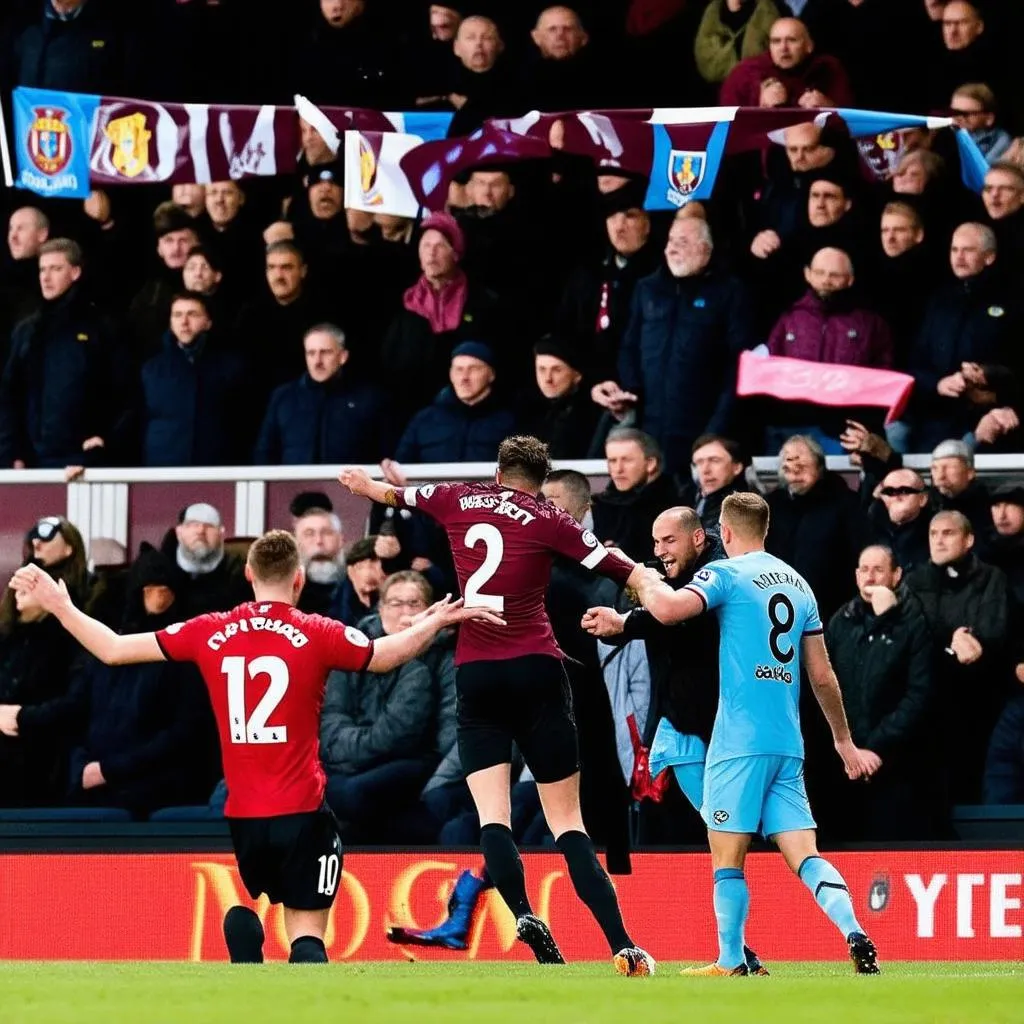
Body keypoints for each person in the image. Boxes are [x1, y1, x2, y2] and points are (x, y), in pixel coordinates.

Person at [10, 531, 498, 966]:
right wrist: (430, 624)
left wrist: (60, 605)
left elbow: (114, 648)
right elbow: (384, 656)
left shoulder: (209, 629)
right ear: (300, 580)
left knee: (256, 898)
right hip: (304, 809)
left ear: (248, 574)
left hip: (243, 812)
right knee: (307, 935)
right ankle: (303, 980)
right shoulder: (317, 631)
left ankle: (246, 952)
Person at [339, 435, 655, 976]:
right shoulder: (549, 519)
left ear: (499, 471)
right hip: (535, 665)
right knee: (567, 821)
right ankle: (623, 946)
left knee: (493, 816)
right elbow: (614, 565)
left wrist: (367, 487)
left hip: (476, 671)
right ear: (541, 478)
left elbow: (403, 496)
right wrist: (651, 582)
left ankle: (525, 913)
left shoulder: (459, 497)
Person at [626, 492, 881, 975]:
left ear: (723, 532)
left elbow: (672, 610)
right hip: (787, 741)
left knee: (727, 856)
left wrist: (640, 577)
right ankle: (855, 932)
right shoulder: (799, 583)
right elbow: (823, 677)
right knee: (805, 854)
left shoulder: (724, 574)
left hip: (736, 741)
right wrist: (843, 741)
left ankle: (730, 960)